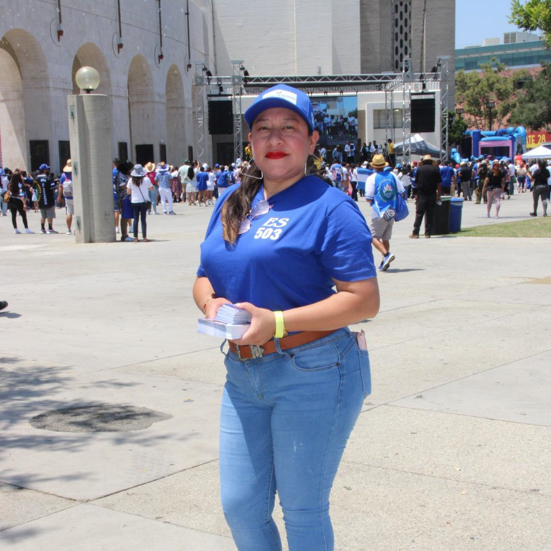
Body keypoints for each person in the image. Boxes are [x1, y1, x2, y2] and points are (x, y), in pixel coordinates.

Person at [193, 83, 379, 551]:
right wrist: (210, 304)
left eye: (289, 128)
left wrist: (276, 322)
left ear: (313, 140)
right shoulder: (233, 201)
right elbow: (203, 276)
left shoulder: (331, 207)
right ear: (251, 142)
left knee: (302, 510)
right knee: (241, 506)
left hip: (312, 371)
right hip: (242, 373)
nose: (275, 138)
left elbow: (363, 300)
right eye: (263, 129)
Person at [366, 154, 405, 271]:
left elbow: (368, 197)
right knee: (385, 238)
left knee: (372, 237)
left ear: (373, 166)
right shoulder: (393, 176)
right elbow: (402, 191)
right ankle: (384, 260)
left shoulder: (372, 178)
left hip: (380, 212)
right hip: (392, 210)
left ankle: (386, 254)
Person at [410, 155, 442, 238]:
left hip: (421, 194)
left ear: (423, 162)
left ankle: (415, 233)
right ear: (431, 161)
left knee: (419, 214)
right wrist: (439, 195)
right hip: (432, 195)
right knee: (430, 214)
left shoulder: (419, 169)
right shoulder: (435, 169)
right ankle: (428, 233)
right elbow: (438, 184)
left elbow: (416, 182)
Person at [127, 164, 154, 242]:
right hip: (144, 201)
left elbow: (128, 192)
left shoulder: (130, 180)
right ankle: (144, 237)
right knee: (143, 219)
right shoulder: (146, 180)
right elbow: (151, 188)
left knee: (135, 219)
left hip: (134, 201)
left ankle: (135, 237)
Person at [35, 163, 58, 234]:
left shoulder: (36, 179)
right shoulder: (48, 178)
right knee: (50, 214)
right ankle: (50, 228)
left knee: (43, 215)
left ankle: (42, 228)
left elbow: (34, 188)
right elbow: (53, 188)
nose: (48, 170)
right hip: (49, 199)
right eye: (47, 169)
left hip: (40, 200)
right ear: (44, 170)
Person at [58, 159, 74, 234]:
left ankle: (68, 229)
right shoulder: (75, 174)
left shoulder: (63, 176)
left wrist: (59, 196)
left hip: (67, 196)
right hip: (75, 196)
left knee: (69, 212)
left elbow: (61, 187)